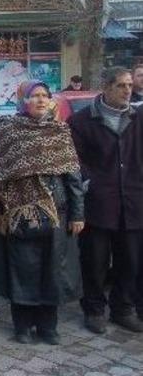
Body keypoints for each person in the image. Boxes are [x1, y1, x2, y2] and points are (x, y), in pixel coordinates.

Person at [0, 80, 84, 345]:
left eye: (45, 96)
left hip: (57, 213)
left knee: (53, 271)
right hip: (19, 214)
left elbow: (73, 176)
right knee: (22, 271)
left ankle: (48, 327)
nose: (40, 100)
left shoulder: (60, 132)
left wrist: (78, 214)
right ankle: (23, 327)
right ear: (23, 101)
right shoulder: (9, 132)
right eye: (34, 96)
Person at [68, 67, 143, 334]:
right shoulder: (81, 121)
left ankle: (123, 308)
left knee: (130, 261)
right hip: (98, 204)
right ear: (107, 88)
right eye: (121, 86)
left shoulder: (138, 118)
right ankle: (94, 309)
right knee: (95, 262)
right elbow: (75, 161)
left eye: (129, 86)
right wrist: (92, 184)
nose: (127, 91)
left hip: (133, 203)